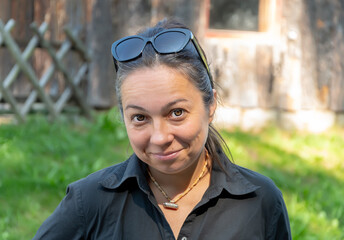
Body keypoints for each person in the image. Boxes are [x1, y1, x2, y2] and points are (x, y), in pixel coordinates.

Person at [33, 19, 291, 240]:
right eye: (140, 117)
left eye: (176, 113)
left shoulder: (260, 201)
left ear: (210, 104)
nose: (159, 137)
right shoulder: (88, 202)